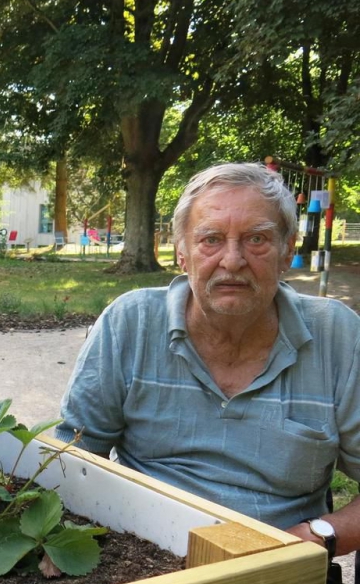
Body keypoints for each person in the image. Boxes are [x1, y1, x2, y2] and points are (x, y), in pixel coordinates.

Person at [56, 163, 359, 576]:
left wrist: (316, 535)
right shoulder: (131, 323)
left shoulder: (338, 336)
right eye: (211, 239)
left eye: (257, 239)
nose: (232, 261)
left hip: (279, 563)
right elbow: (74, 456)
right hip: (144, 561)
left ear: (288, 250)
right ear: (182, 252)